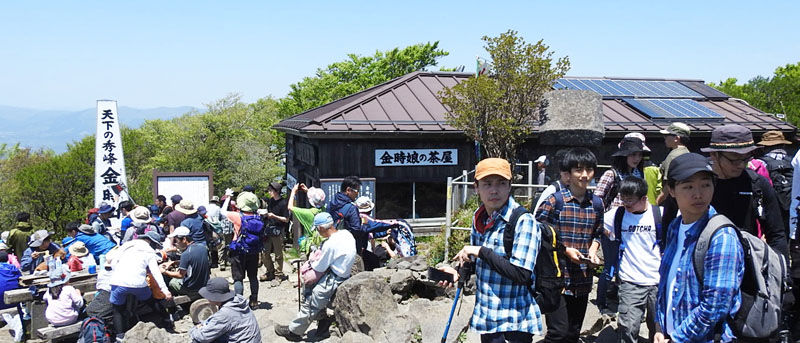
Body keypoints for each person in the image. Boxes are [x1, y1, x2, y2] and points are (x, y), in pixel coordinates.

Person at [438, 157, 542, 342]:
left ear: (509, 186)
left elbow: (521, 274)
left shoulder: (523, 221)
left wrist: (481, 251)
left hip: (514, 321)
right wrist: (457, 272)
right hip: (487, 317)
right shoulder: (480, 218)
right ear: (476, 187)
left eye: (501, 183)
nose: (494, 190)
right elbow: (476, 262)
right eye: (487, 184)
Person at [654, 153, 745, 343]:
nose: (698, 194)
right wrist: (659, 326)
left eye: (705, 185)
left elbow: (715, 306)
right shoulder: (675, 227)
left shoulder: (721, 236)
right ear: (671, 190)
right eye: (688, 186)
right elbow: (665, 284)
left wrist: (676, 338)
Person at [536, 148, 603, 343]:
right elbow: (539, 234)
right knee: (558, 332)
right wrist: (565, 250)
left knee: (573, 333)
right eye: (578, 170)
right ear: (569, 173)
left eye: (589, 170)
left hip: (582, 278)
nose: (584, 175)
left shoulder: (596, 204)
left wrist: (593, 251)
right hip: (557, 278)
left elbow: (598, 233)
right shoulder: (555, 201)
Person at [589, 176, 660, 343]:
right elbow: (596, 227)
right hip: (630, 281)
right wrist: (593, 248)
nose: (626, 204)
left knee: (658, 329)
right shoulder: (618, 214)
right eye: (623, 199)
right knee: (628, 327)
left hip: (658, 281)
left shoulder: (660, 214)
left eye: (630, 201)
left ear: (643, 198)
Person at [701, 124, 789, 257]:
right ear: (714, 154)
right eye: (734, 159)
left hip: (747, 260)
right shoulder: (700, 185)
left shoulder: (757, 184)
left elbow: (776, 234)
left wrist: (781, 266)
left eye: (746, 158)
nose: (741, 165)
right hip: (704, 259)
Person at [275, 212, 357, 341]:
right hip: (345, 273)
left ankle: (294, 331)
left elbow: (320, 267)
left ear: (321, 228)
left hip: (334, 278)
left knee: (311, 301)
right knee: (313, 296)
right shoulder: (346, 234)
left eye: (317, 229)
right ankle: (323, 324)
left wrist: (311, 260)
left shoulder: (330, 244)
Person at [593, 137, 645, 316]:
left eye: (639, 154)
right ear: (624, 155)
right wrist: (601, 225)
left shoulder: (638, 173)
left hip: (631, 226)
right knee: (610, 268)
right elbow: (597, 199)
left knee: (627, 266)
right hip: (611, 226)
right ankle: (602, 303)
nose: (636, 158)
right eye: (633, 154)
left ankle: (622, 302)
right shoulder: (612, 174)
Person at [109, 231, 172, 341]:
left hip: (118, 282)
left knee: (117, 310)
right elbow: (156, 272)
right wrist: (165, 290)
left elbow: (113, 263)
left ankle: (120, 337)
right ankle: (166, 320)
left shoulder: (126, 246)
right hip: (138, 283)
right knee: (151, 301)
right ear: (151, 242)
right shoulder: (148, 251)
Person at [189, 277, 261, 342]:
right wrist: (204, 324)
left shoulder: (225, 313)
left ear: (215, 296)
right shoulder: (238, 300)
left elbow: (203, 337)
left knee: (197, 340)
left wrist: (193, 330)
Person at [225, 190, 263, 309]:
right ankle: (254, 301)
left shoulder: (237, 216)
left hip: (239, 251)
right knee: (253, 277)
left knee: (238, 278)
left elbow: (222, 212)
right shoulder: (258, 216)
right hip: (254, 250)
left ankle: (239, 302)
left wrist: (228, 197)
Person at [327, 176, 373, 270]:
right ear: (348, 190)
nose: (357, 194)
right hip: (350, 247)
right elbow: (356, 229)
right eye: (357, 191)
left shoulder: (331, 204)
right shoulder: (351, 208)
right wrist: (365, 226)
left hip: (333, 244)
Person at [756, 130, 794, 232]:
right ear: (783, 146)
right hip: (791, 206)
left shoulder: (760, 163)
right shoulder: (793, 161)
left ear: (765, 147)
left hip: (771, 207)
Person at [160, 227, 210, 300]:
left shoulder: (186, 254)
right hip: (204, 283)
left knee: (172, 282)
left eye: (176, 241)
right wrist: (174, 262)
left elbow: (180, 275)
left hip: (192, 288)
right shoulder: (202, 247)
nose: (175, 244)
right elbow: (193, 262)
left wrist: (165, 272)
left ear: (184, 239)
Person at [260, 182, 288, 281]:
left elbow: (286, 219)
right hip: (268, 229)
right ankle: (270, 271)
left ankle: (278, 274)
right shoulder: (271, 201)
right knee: (265, 253)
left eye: (271, 190)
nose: (269, 192)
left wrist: (274, 216)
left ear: (277, 191)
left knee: (278, 254)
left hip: (278, 230)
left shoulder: (283, 203)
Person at [287, 183, 326, 254]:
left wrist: (293, 192)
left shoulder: (308, 213)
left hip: (312, 246)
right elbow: (318, 200)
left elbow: (290, 207)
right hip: (323, 243)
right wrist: (308, 191)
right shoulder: (324, 209)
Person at [43, 259, 83, 327]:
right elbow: (80, 304)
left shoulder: (49, 290)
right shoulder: (69, 288)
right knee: (78, 306)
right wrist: (78, 294)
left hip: (53, 320)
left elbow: (44, 298)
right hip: (69, 319)